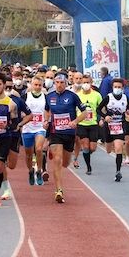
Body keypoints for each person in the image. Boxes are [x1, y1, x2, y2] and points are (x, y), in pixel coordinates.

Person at [0, 73, 31, 206]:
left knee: (3, 165)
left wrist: (11, 126)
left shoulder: (12, 103)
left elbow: (15, 121)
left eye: (0, 84)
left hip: (6, 137)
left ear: (4, 86)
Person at [43, 71, 87, 203]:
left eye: (62, 82)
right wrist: (46, 121)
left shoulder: (72, 96)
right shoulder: (49, 96)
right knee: (57, 159)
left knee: (65, 163)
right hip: (55, 133)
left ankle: (62, 157)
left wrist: (75, 121)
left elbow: (84, 113)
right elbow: (46, 110)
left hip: (69, 133)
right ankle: (59, 190)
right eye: (57, 82)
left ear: (66, 83)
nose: (59, 85)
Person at [97, 78, 129, 182]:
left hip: (119, 126)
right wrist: (105, 116)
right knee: (109, 150)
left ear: (122, 88)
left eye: (119, 87)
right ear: (112, 88)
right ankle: (109, 145)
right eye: (115, 87)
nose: (117, 89)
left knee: (119, 148)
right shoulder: (108, 97)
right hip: (108, 127)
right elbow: (98, 109)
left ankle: (118, 172)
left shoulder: (125, 98)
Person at [21, 76, 48, 186]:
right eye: (35, 85)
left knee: (39, 149)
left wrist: (46, 120)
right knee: (28, 154)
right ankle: (30, 171)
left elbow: (48, 111)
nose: (37, 87)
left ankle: (39, 171)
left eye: (39, 85)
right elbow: (19, 109)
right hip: (27, 128)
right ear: (31, 85)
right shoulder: (25, 96)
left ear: (42, 86)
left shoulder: (45, 97)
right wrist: (22, 117)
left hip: (40, 128)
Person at [76, 74, 103, 175]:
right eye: (84, 82)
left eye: (87, 82)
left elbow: (101, 108)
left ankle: (86, 154)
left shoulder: (97, 95)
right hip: (82, 124)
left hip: (93, 124)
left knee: (92, 148)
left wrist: (101, 119)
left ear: (91, 83)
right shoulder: (78, 95)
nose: (86, 84)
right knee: (86, 146)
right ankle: (88, 167)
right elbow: (74, 109)